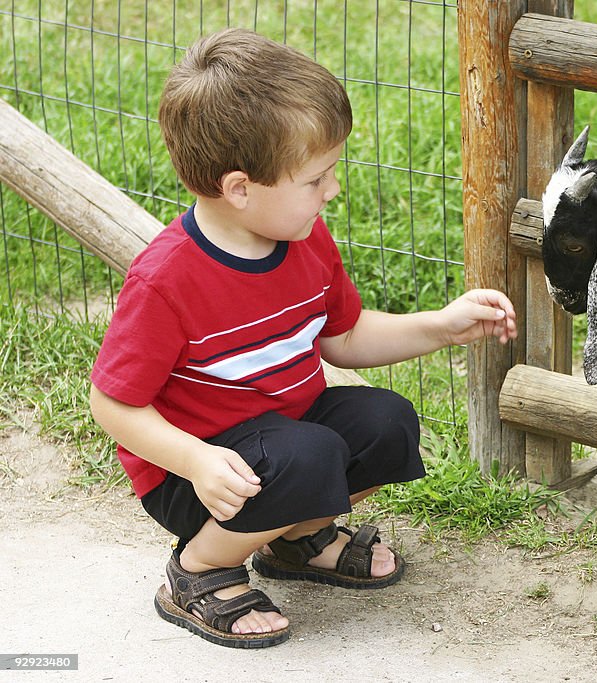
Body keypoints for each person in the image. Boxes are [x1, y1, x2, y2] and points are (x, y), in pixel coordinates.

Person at [89, 28, 516, 649]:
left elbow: (343, 339)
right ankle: (199, 568)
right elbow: (113, 403)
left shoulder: (306, 240)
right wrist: (196, 461)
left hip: (288, 438)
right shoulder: (167, 279)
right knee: (306, 454)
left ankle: (294, 539)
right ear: (240, 189)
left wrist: (440, 326)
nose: (332, 190)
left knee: (386, 421)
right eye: (316, 179)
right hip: (202, 476)